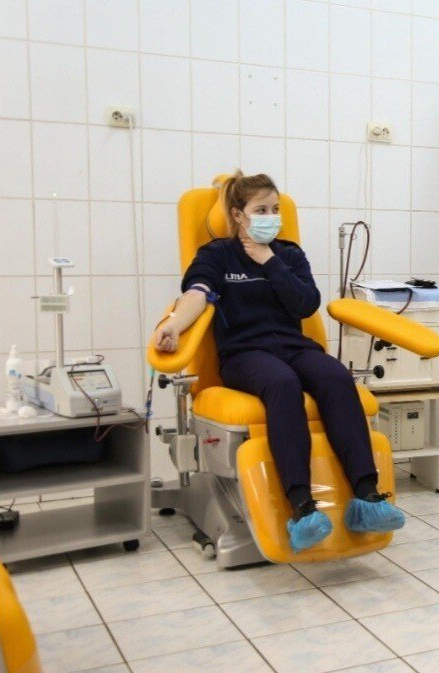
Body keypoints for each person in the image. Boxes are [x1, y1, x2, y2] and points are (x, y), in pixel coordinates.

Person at [153, 171, 404, 552]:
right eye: (261, 210)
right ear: (238, 215)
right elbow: (197, 294)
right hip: (244, 353)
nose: (271, 216)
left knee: (336, 377)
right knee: (282, 383)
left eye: (274, 209)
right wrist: (173, 325)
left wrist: (270, 261)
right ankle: (302, 507)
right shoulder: (217, 255)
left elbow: (305, 303)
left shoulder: (288, 254)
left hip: (293, 347)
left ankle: (366, 497)